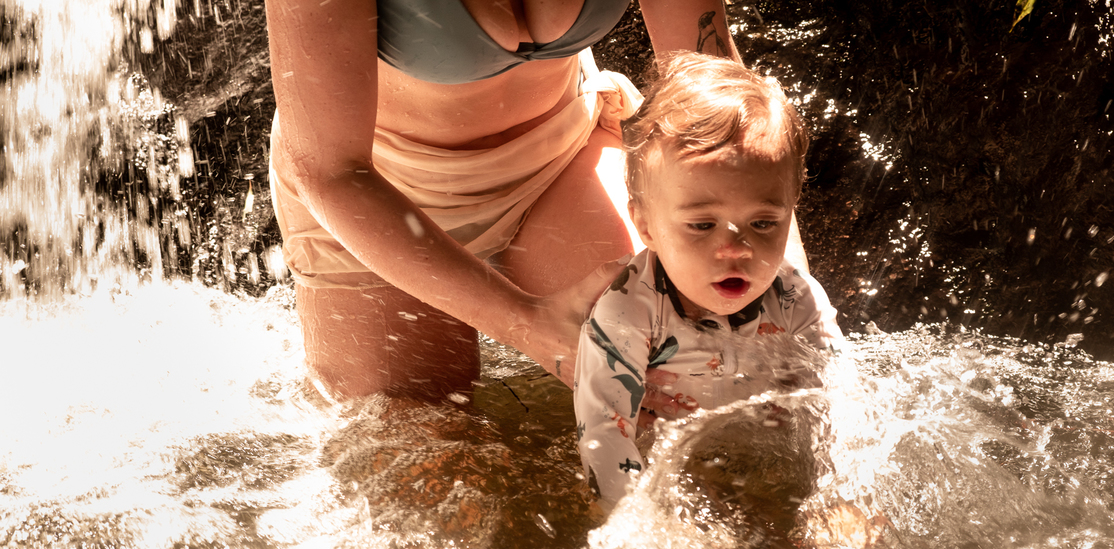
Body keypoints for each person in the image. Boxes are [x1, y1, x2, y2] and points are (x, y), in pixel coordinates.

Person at [265, 0, 753, 403]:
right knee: (429, 483)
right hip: (377, 199)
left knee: (700, 392)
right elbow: (330, 172)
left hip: (561, 157)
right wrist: (530, 327)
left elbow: (721, 108)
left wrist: (775, 288)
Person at [573, 52, 843, 511]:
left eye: (763, 223)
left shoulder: (797, 298)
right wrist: (638, 529)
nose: (736, 249)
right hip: (665, 464)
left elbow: (840, 403)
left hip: (761, 454)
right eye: (702, 226)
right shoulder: (629, 309)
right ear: (646, 225)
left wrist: (839, 497)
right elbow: (603, 429)